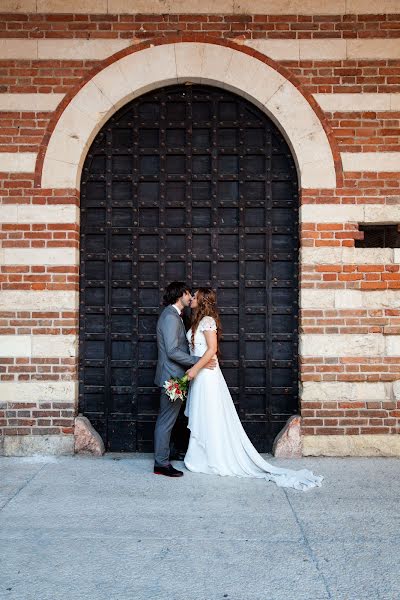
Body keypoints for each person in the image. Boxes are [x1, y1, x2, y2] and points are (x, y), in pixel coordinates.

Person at [183, 288, 324, 491]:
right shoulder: (197, 321)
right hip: (201, 374)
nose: (192, 299)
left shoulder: (207, 321)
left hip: (206, 375)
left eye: (195, 296)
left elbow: (212, 349)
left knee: (209, 413)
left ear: (203, 300)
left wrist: (195, 369)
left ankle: (210, 457)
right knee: (203, 413)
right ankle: (200, 456)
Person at [153, 281, 216, 478]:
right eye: (189, 294)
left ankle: (164, 456)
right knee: (166, 420)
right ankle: (161, 464)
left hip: (174, 374)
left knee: (169, 419)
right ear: (181, 294)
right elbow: (172, 351)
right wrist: (200, 362)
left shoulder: (174, 316)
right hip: (171, 376)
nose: (191, 298)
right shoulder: (171, 317)